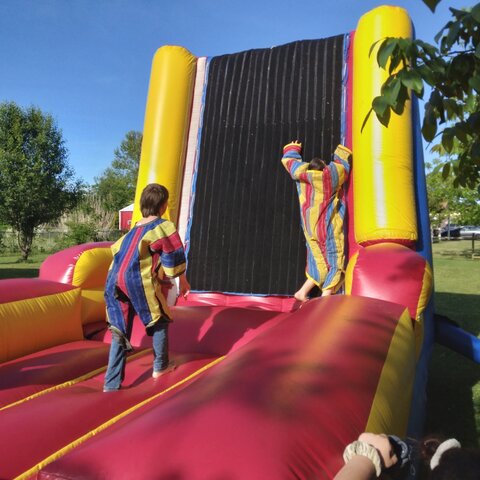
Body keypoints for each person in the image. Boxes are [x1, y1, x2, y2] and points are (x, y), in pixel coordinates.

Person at [103, 183, 190, 392]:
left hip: (113, 280)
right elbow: (173, 253)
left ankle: (111, 383)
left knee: (119, 329)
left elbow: (117, 254)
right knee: (160, 319)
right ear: (163, 205)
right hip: (136, 279)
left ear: (142, 205)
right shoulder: (163, 226)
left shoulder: (132, 231)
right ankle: (160, 366)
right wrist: (182, 280)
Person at [281, 141, 351, 301]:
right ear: (324, 168)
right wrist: (342, 150)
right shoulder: (328, 178)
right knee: (335, 262)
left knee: (319, 264)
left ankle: (302, 293)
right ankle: (325, 299)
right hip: (327, 229)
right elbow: (341, 167)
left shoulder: (302, 177)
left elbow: (292, 164)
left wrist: (292, 149)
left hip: (310, 228)